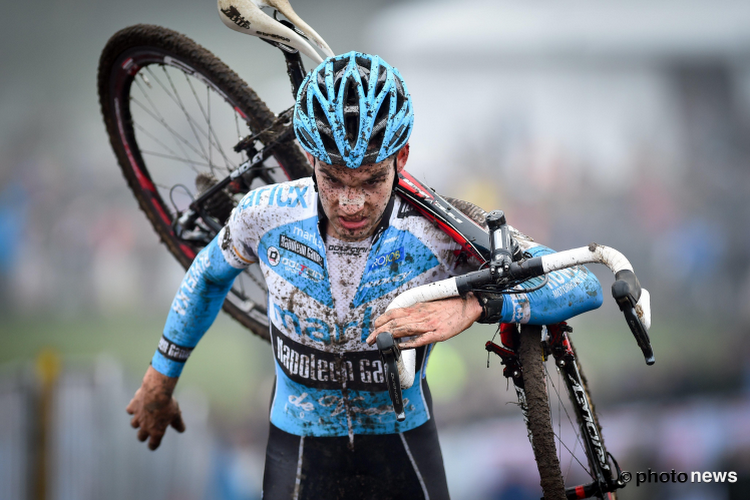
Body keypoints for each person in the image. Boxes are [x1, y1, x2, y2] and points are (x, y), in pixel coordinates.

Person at [126, 51, 603, 499]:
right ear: (309, 159)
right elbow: (208, 276)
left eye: (372, 180)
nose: (350, 204)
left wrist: (475, 305)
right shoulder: (265, 214)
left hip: (401, 441)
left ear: (402, 158)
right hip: (299, 442)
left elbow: (582, 283)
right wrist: (160, 377)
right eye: (333, 179)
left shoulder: (438, 228)